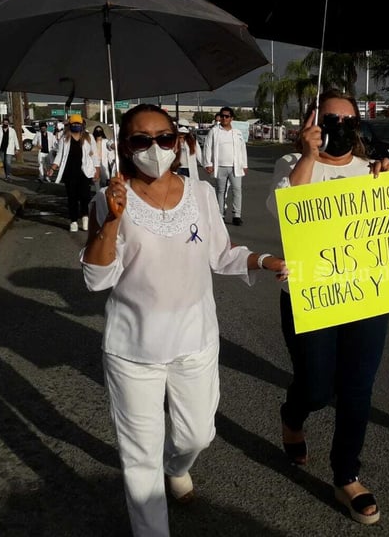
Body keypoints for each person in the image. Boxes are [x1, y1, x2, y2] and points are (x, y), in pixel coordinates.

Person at [81, 104, 286, 537]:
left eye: (164, 138)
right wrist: (112, 223)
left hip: (195, 341)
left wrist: (264, 259)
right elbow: (97, 279)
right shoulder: (108, 199)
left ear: (178, 142)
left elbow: (221, 254)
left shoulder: (202, 195)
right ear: (124, 146)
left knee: (197, 435)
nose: (154, 149)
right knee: (140, 460)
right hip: (133, 351)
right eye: (141, 140)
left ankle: (176, 464)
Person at [266, 89, 389, 525]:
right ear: (310, 123)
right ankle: (293, 415)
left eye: (348, 122)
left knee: (358, 388)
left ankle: (347, 475)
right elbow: (286, 210)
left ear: (357, 128)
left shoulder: (371, 172)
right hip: (308, 298)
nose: (339, 127)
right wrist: (308, 155)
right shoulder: (291, 166)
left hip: (367, 298)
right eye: (329, 120)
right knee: (317, 388)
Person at [48, 114, 99, 232]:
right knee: (72, 198)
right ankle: (74, 221)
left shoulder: (89, 137)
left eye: (78, 124)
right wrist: (53, 168)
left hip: (85, 172)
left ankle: (85, 217)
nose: (76, 126)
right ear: (70, 125)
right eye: (74, 124)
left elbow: (95, 155)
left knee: (85, 196)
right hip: (69, 172)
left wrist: (97, 169)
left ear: (82, 125)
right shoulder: (64, 138)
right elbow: (60, 155)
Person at [202, 106, 247, 225]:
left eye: (227, 116)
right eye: (222, 116)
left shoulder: (237, 133)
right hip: (220, 166)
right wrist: (208, 163)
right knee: (220, 191)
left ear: (231, 118)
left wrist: (245, 164)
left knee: (237, 190)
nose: (224, 118)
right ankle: (220, 214)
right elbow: (207, 147)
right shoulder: (214, 131)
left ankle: (237, 215)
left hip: (235, 166)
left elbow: (242, 149)